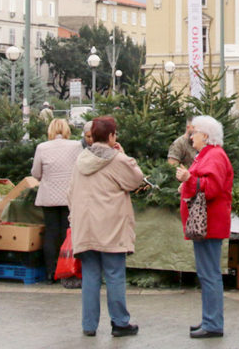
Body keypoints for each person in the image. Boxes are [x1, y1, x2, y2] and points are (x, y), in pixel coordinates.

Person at [68, 116, 143, 337]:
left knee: (90, 275)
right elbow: (135, 180)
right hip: (111, 227)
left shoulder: (81, 159)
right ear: (111, 136)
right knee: (114, 274)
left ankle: (89, 325)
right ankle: (120, 323)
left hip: (85, 228)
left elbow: (70, 193)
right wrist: (123, 154)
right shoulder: (116, 160)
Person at [176, 115, 234, 339]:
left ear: (206, 136)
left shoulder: (215, 156)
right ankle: (209, 319)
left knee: (209, 273)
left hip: (209, 224)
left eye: (195, 132)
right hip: (206, 224)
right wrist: (188, 181)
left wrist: (189, 179)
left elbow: (211, 188)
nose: (191, 137)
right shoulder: (208, 155)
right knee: (207, 273)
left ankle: (212, 323)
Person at [31, 118, 83, 285]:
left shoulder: (42, 147)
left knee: (51, 233)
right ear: (67, 130)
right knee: (67, 232)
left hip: (49, 196)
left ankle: (50, 272)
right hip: (69, 196)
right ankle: (67, 269)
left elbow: (36, 173)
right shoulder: (76, 146)